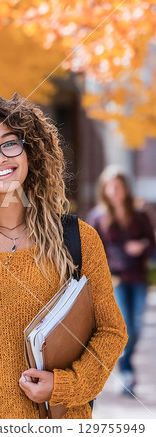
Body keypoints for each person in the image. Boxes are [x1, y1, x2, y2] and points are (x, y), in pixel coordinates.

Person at [0, 92, 127, 419]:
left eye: (9, 143)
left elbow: (110, 331)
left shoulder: (77, 239)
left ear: (29, 151)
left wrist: (65, 386)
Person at [88, 165, 155, 395]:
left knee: (136, 326)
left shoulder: (140, 214)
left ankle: (126, 364)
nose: (114, 191)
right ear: (104, 190)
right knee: (124, 324)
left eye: (118, 186)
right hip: (113, 280)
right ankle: (126, 371)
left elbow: (152, 245)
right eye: (110, 186)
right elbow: (92, 251)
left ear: (125, 188)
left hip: (137, 277)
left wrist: (142, 246)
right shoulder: (97, 216)